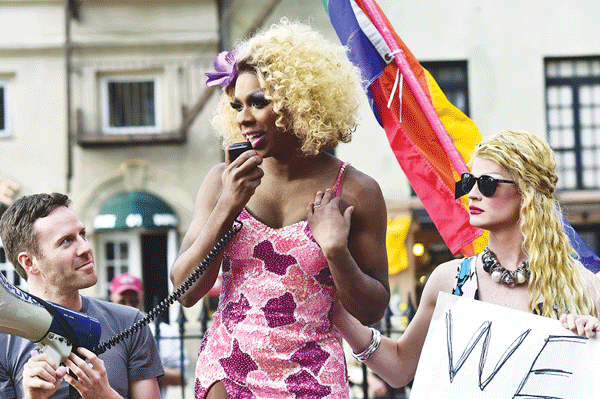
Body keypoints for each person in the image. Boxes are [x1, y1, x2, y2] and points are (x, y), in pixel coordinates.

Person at [169, 20, 390, 398]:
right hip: (228, 369)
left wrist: (336, 251)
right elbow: (186, 291)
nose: (243, 118)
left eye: (259, 101)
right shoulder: (223, 181)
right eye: (237, 105)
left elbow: (372, 310)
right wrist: (227, 206)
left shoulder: (356, 191)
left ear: (299, 102)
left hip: (313, 377)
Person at [334, 130, 600, 389]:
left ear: (526, 192)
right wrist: (335, 309)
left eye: (487, 184)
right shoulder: (450, 280)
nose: (472, 194)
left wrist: (594, 338)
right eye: (468, 182)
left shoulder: (584, 286)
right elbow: (400, 367)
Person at [0, 193, 163, 399]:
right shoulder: (4, 342)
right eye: (66, 241)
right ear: (30, 262)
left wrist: (104, 395)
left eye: (83, 234)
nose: (86, 247)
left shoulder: (130, 323)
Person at [110, 272, 189, 397]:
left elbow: (181, 377)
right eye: (122, 301)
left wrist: (137, 368)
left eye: (133, 300)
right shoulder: (104, 331)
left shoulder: (165, 331)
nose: (128, 306)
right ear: (112, 299)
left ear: (141, 297)